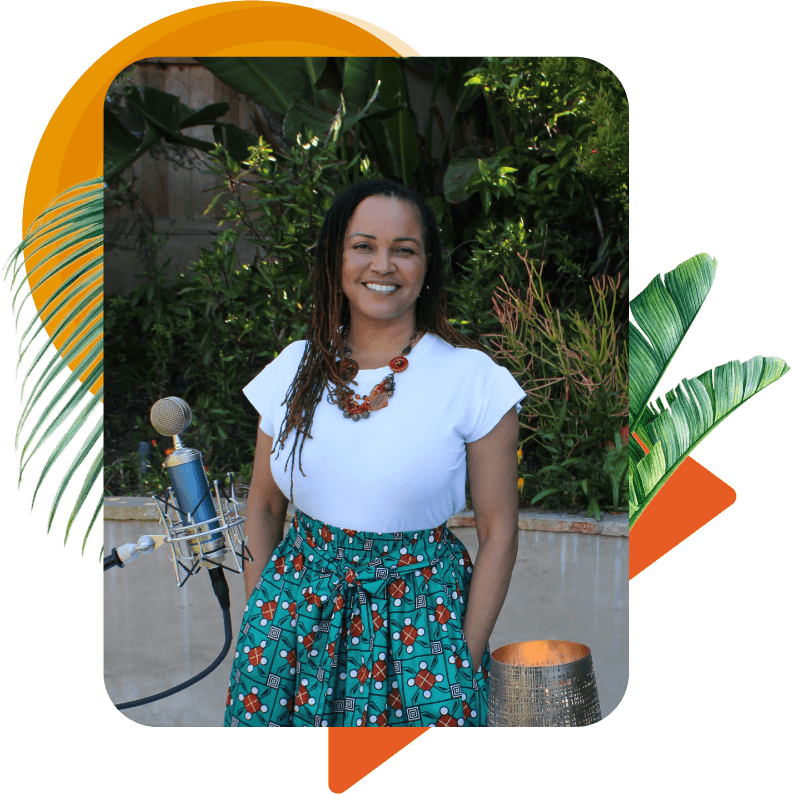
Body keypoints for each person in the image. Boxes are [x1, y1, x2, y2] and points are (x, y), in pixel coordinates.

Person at [224, 179, 525, 727]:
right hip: (292, 625)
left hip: (423, 633)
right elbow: (264, 508)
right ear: (337, 260)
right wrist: (259, 619)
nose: (382, 265)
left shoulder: (473, 381)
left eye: (403, 249)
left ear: (426, 266)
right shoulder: (295, 368)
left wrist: (465, 659)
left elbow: (499, 532)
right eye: (363, 246)